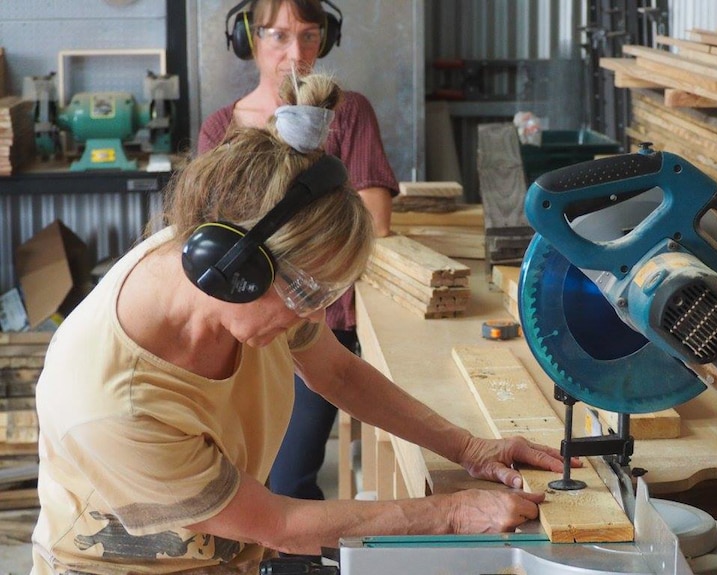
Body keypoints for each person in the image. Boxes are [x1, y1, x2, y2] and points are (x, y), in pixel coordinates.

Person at [31, 72, 572, 574]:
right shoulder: (109, 401)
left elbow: (337, 375)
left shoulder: (244, 273)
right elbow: (278, 524)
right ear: (231, 267)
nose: (312, 316)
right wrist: (451, 514)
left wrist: (470, 449)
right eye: (306, 293)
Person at [198, 0, 398, 502]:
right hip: (233, 328)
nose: (296, 52)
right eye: (279, 36)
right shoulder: (221, 129)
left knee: (288, 484)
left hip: (317, 325)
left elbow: (375, 220)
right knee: (232, 478)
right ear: (249, 39)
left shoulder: (346, 113)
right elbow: (202, 237)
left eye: (310, 36)